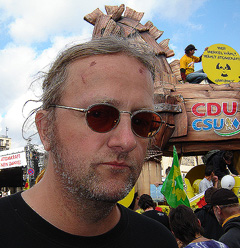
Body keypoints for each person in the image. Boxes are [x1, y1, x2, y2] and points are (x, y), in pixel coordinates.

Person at [0, 36, 178, 247]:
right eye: (99, 115)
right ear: (46, 128)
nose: (127, 140)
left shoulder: (158, 240)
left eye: (141, 121)